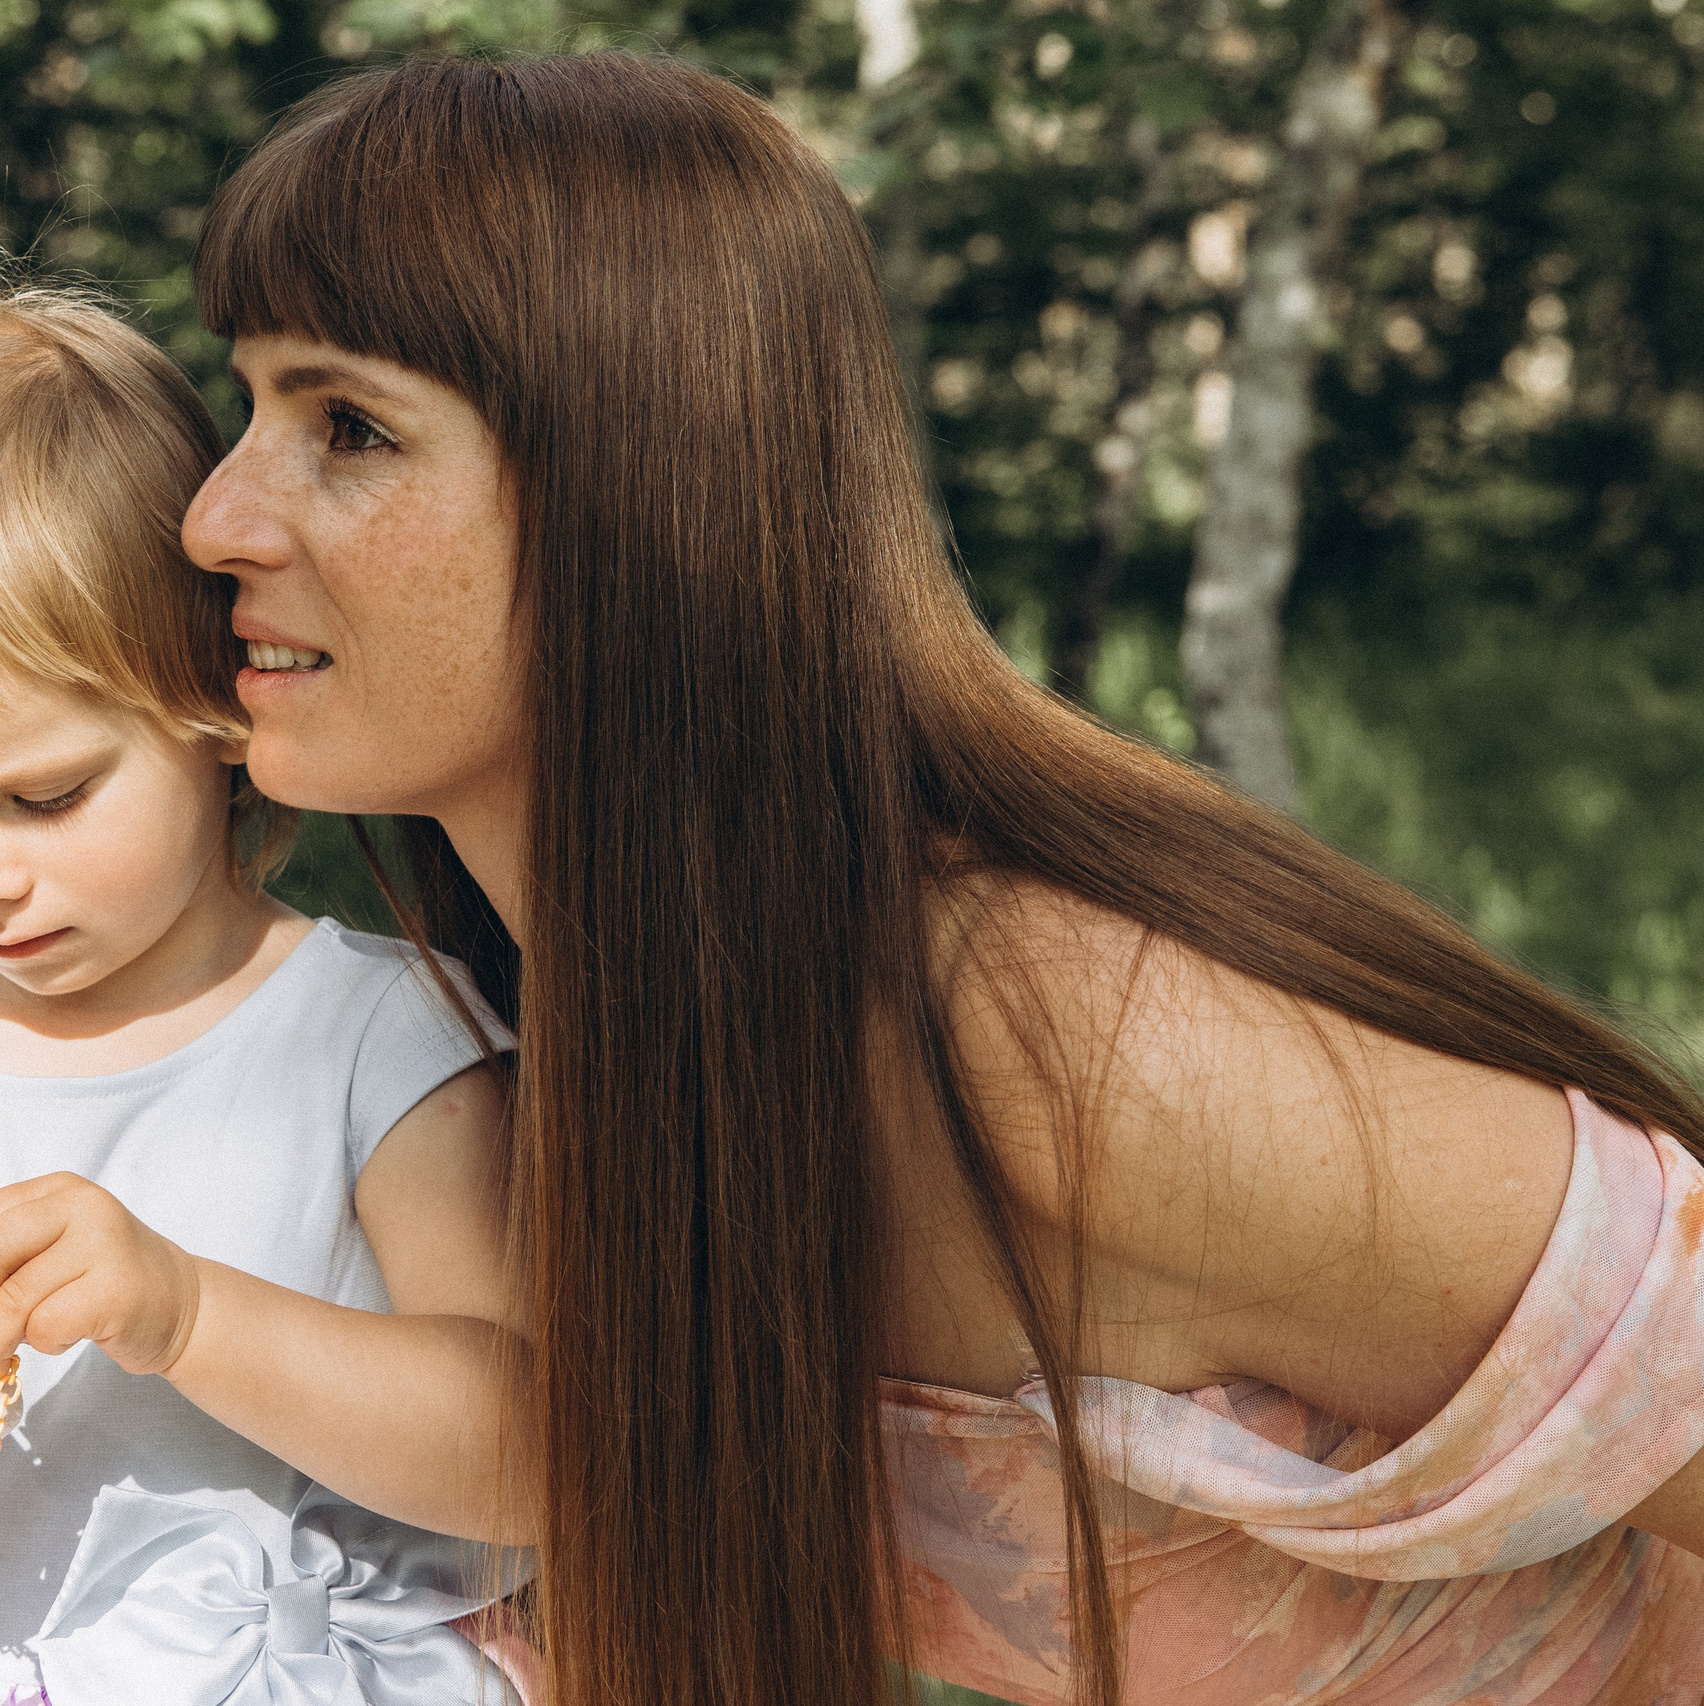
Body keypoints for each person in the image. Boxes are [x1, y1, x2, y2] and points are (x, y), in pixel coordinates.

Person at [175, 50, 1704, 1706]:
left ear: (636, 488)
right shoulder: (536, 1036)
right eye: (244, 403)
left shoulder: (1050, 1036)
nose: (212, 516)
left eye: (347, 424)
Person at [0, 281, 533, 1706]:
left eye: (43, 793)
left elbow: (526, 1447)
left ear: (214, 706)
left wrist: (185, 1313)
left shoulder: (383, 1042)